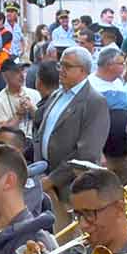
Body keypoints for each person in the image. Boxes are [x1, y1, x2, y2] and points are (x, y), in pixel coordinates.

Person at [34, 46, 111, 204]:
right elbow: (41, 134)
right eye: (60, 65)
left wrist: (52, 180)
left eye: (67, 66)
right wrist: (39, 170)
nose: (61, 70)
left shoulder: (94, 101)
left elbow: (87, 153)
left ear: (83, 71)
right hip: (44, 179)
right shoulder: (57, 94)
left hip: (71, 187)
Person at [0, 59, 41, 139]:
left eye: (23, 71)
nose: (22, 75)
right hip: (12, 146)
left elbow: (43, 122)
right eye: (17, 72)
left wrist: (31, 108)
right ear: (5, 76)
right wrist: (19, 114)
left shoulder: (35, 94)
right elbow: (2, 131)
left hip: (34, 142)